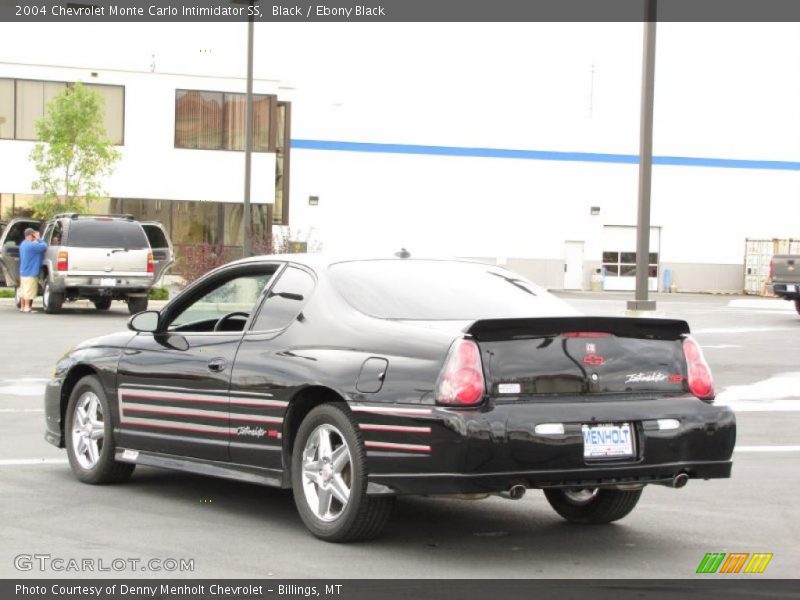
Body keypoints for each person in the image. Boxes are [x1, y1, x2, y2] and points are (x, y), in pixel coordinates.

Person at [18, 227, 47, 313]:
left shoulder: (23, 244)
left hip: (23, 271)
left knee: (23, 290)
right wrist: (39, 239)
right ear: (31, 235)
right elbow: (44, 246)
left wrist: (35, 239)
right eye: (34, 234)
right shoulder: (32, 246)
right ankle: (27, 307)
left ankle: (22, 307)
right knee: (29, 290)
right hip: (31, 271)